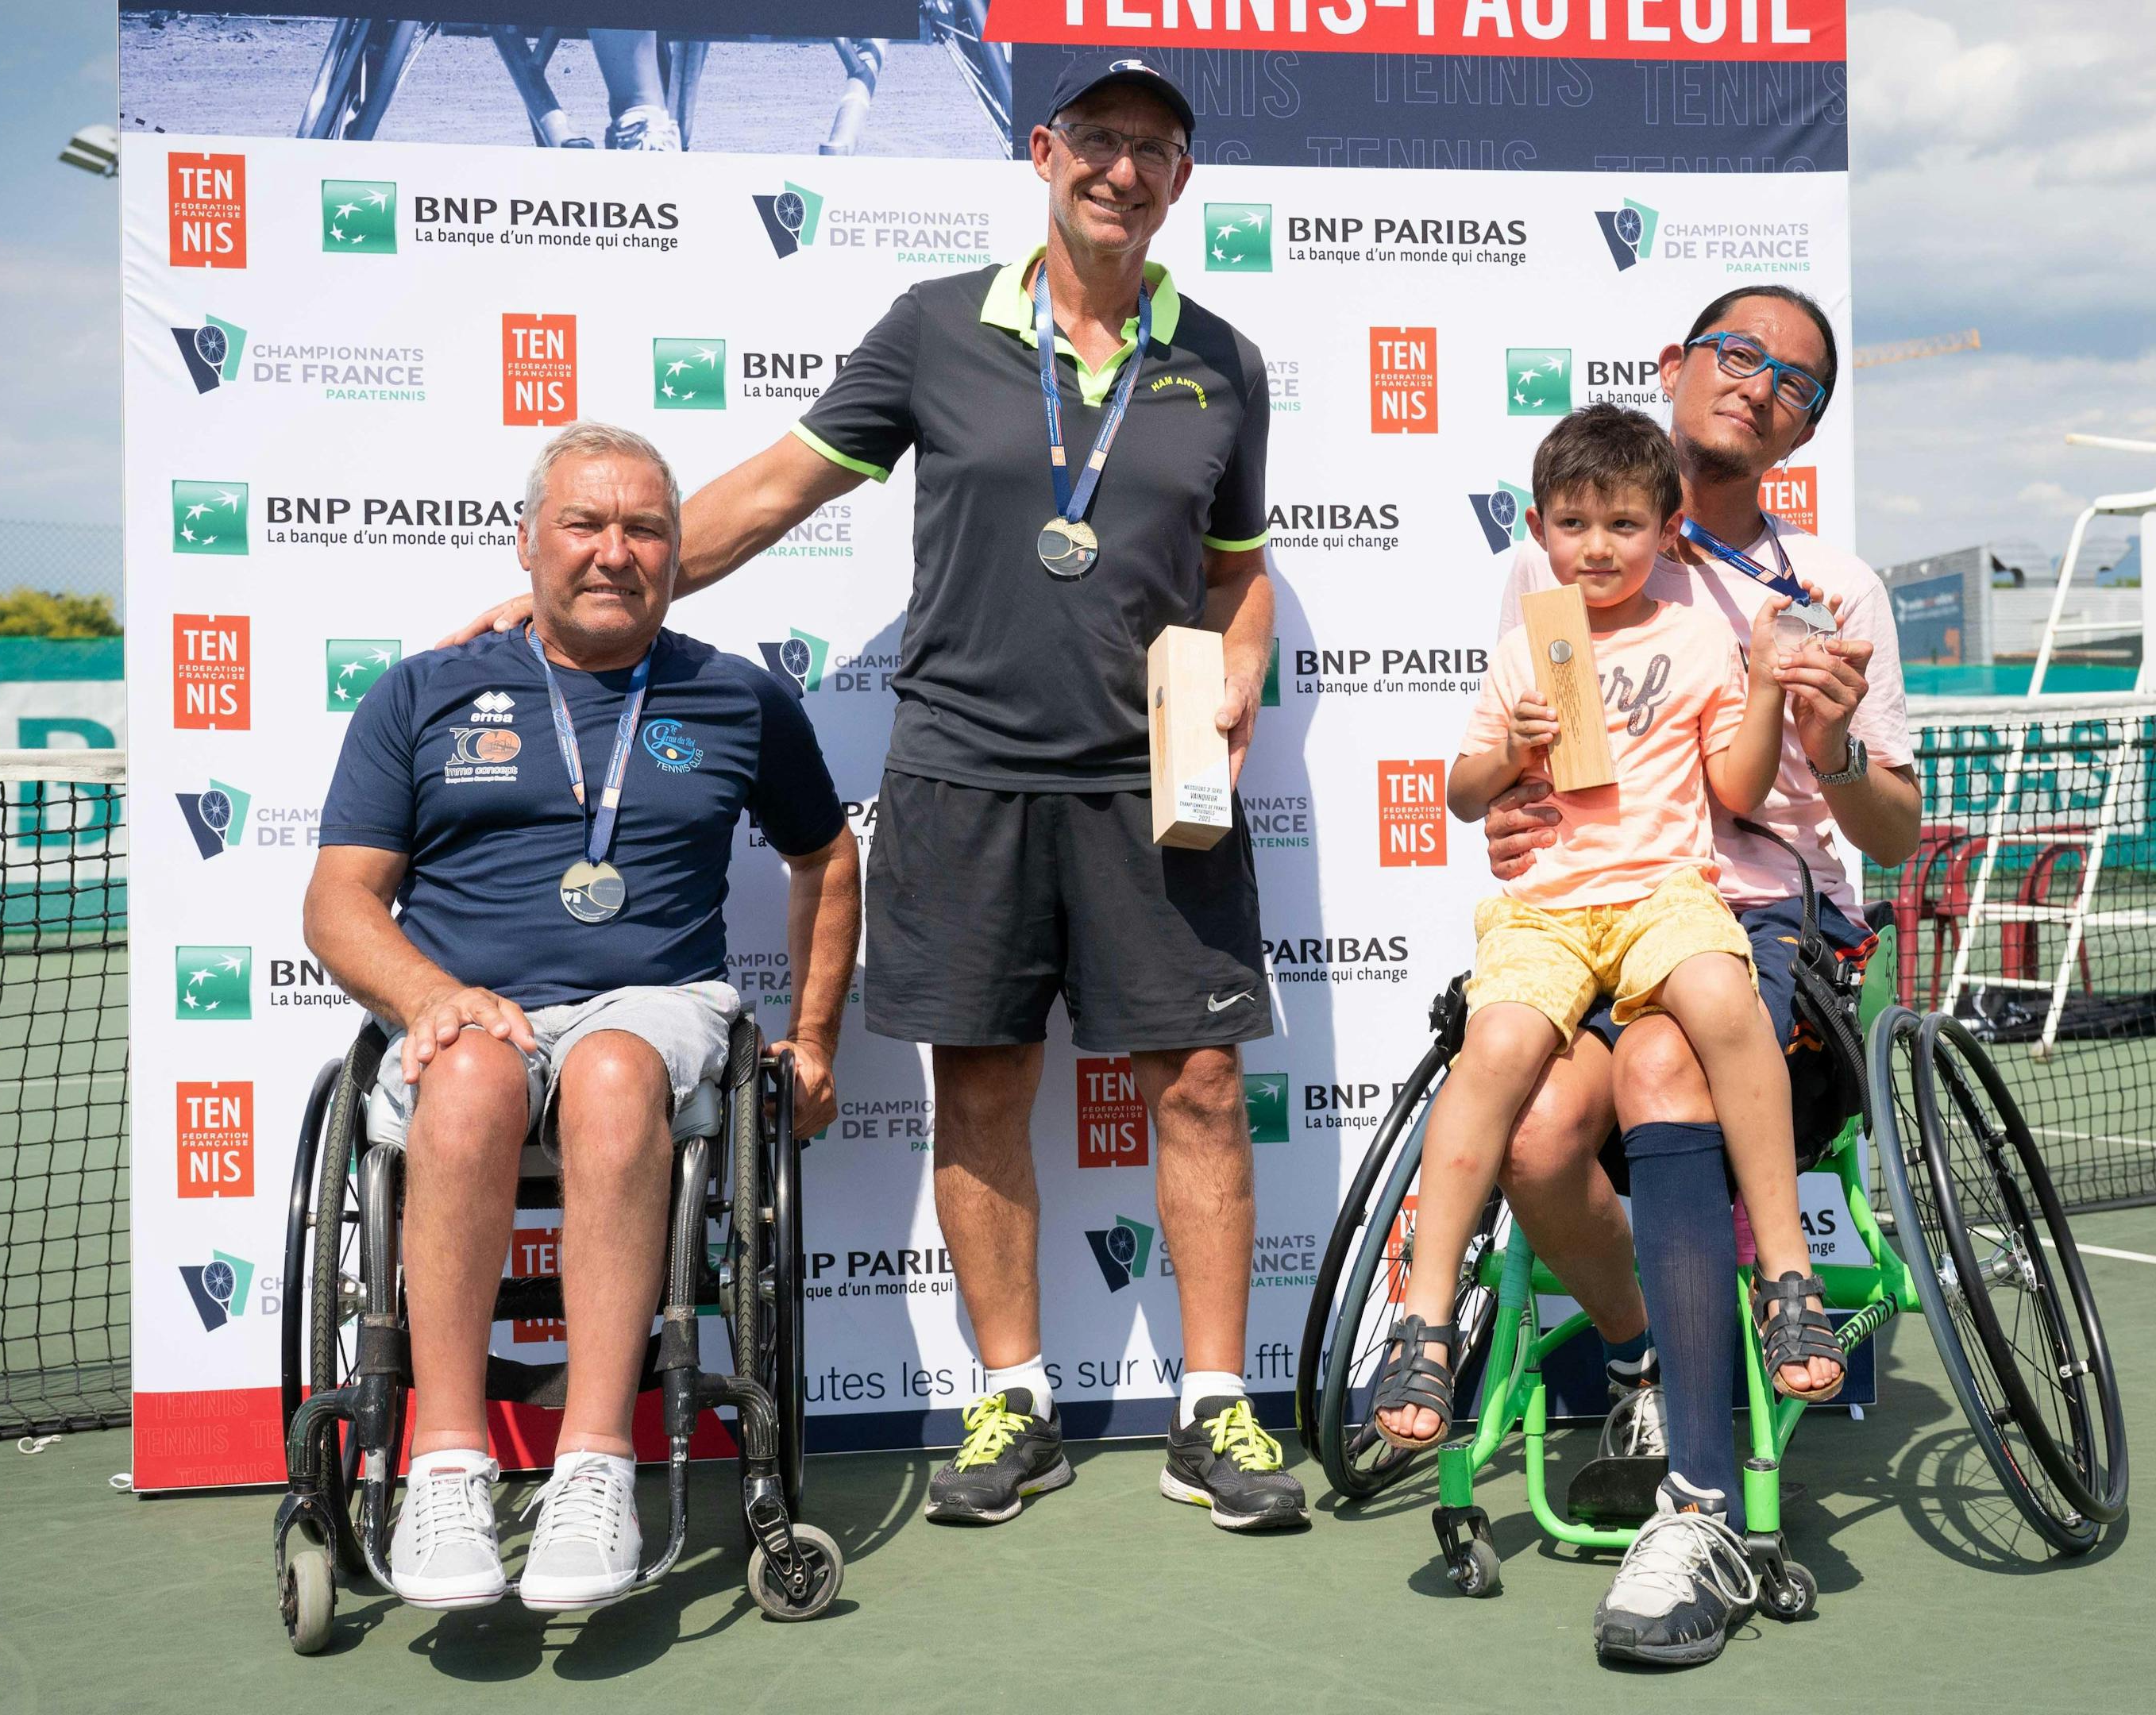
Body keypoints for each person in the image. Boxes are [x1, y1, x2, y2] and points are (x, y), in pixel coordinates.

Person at [437, 57, 1302, 1532]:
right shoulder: (935, 327)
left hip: (1150, 792)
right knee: (981, 1086)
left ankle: (1215, 1412)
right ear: (1044, 153)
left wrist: (1238, 670)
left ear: (1182, 181)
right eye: (1098, 140)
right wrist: (587, 595)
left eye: (1155, 149)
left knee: (1206, 1090)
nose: (1123, 169)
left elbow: (1239, 579)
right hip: (961, 772)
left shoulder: (1222, 356)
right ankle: (1010, 1403)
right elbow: (776, 488)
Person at [306, 422, 862, 1612]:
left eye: (646, 528)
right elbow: (340, 900)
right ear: (528, 542)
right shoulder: (422, 692)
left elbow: (827, 857)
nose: (616, 551)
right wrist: (428, 997)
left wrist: (815, 1040)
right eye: (585, 524)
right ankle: (447, 1462)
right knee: (466, 1071)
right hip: (470, 1001)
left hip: (660, 1006)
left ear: (678, 551)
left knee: (613, 1072)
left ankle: (596, 1463)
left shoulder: (739, 697)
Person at [1483, 287, 1923, 1667]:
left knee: (1671, 1057)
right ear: (1674, 369)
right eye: (1736, 354)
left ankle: (1704, 1509)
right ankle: (1647, 1363)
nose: (1759, 385)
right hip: (1598, 914)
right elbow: (1526, 758)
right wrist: (1505, 801)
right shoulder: (1560, 570)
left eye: (1794, 378)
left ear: (1805, 426)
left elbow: (1896, 832)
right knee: (1538, 1128)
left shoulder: (1834, 589)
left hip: (1766, 925)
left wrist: (1837, 744)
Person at [1367, 406, 1807, 1456]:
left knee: (1716, 994)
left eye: (1623, 525)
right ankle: (1424, 1316)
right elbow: (1464, 793)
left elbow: (1738, 790)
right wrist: (1508, 752)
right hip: (1549, 912)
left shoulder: (1698, 634)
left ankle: (1787, 1268)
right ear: (1537, 528)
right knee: (1501, 1045)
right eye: (1573, 524)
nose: (1598, 547)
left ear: (1667, 530)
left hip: (1664, 892)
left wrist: (1770, 691)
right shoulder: (1534, 641)